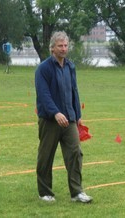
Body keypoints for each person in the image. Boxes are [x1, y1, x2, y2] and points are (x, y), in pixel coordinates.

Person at [35, 31, 92, 203]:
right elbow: (44, 95)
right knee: (46, 156)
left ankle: (77, 192)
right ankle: (45, 192)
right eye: (60, 46)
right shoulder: (43, 69)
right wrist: (55, 112)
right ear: (52, 48)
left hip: (70, 119)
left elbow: (74, 91)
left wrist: (78, 114)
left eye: (66, 45)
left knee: (75, 153)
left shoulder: (70, 66)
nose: (63, 49)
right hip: (50, 120)